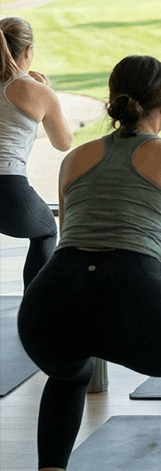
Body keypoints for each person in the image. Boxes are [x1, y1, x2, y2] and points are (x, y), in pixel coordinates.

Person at [17, 55, 161, 471]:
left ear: (112, 102)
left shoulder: (77, 159)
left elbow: (73, 237)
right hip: (130, 293)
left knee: (68, 373)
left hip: (49, 302)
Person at [0, 16, 72, 288]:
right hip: (8, 185)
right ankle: (34, 307)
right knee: (45, 231)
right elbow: (63, 142)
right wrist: (47, 93)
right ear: (28, 50)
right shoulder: (36, 91)